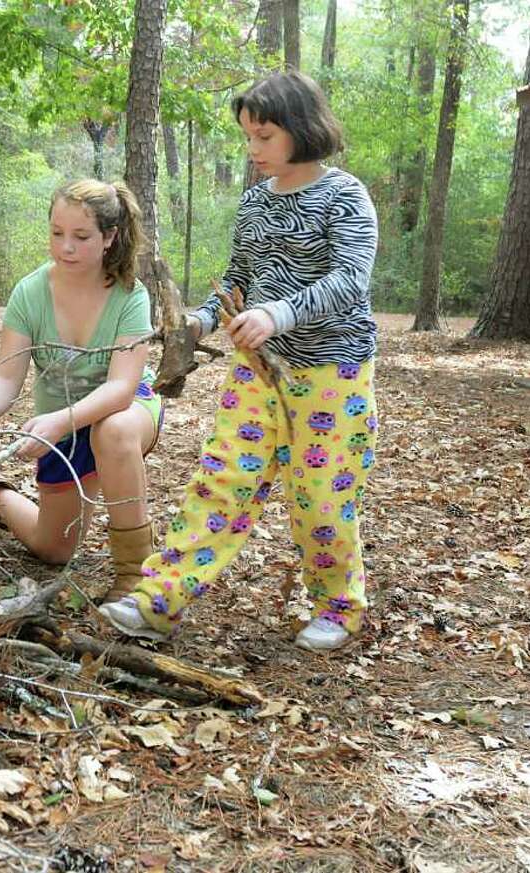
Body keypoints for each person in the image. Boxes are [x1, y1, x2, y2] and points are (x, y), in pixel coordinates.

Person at [99, 72, 379, 652]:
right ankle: (159, 600)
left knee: (321, 496)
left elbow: (351, 280)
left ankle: (338, 605)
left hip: (333, 375)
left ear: (301, 130)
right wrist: (199, 319)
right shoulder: (255, 201)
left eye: (264, 136)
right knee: (220, 482)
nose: (253, 149)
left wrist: (280, 314)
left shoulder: (344, 195)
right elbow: (237, 281)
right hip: (255, 372)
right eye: (248, 136)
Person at [0, 179, 163, 600]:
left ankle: (133, 578)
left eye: (81, 236)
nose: (65, 247)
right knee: (53, 549)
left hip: (122, 411)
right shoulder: (29, 292)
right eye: (57, 234)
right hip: (62, 426)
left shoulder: (131, 295)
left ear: (109, 238)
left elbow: (122, 387)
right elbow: (6, 377)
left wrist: (60, 421)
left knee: (114, 430)